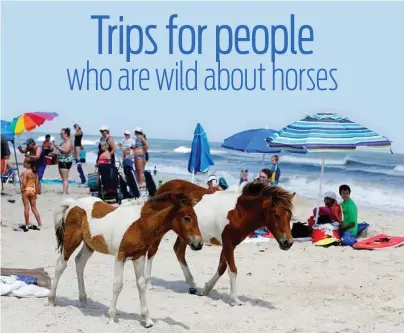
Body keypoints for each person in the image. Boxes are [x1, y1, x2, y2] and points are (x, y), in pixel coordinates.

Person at [20, 158, 42, 231]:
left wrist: (21, 179)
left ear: (28, 164)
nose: (23, 163)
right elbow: (37, 183)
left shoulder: (25, 172)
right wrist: (37, 192)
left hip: (26, 190)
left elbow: (24, 184)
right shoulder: (35, 173)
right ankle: (39, 223)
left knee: (26, 208)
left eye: (24, 162)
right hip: (33, 191)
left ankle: (27, 224)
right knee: (34, 208)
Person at [53, 128, 74, 195]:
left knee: (65, 179)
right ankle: (65, 191)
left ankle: (65, 192)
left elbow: (66, 151)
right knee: (63, 178)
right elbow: (63, 151)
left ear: (66, 134)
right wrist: (56, 153)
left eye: (62, 134)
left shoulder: (68, 141)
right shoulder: (64, 142)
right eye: (60, 134)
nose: (61, 135)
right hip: (62, 160)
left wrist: (57, 146)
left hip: (65, 161)